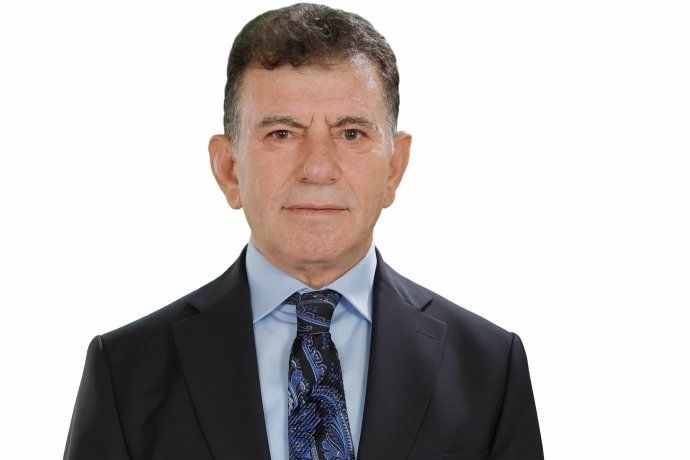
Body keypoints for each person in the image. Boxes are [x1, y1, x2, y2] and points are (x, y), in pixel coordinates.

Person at [63, 3, 543, 459]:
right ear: (228, 169)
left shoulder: (489, 369)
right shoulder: (125, 372)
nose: (317, 168)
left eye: (351, 133)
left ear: (395, 167)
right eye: (282, 134)